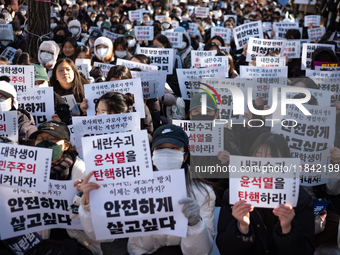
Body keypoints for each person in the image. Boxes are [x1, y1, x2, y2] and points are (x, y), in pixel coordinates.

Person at [79, 124, 216, 255]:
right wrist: (89, 203)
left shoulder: (203, 193)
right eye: (160, 148)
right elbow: (101, 234)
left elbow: (202, 251)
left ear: (184, 156)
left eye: (174, 149)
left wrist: (195, 224)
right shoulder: (131, 186)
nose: (167, 153)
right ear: (152, 155)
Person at [216, 132, 315, 255]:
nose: (264, 165)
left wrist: (287, 229)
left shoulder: (299, 198)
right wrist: (241, 227)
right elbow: (225, 250)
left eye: (272, 160)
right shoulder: (234, 195)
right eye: (257, 158)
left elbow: (306, 251)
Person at [28, 121, 102, 254]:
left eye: (53, 140)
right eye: (41, 139)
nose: (45, 143)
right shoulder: (26, 169)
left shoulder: (83, 173)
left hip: (77, 243)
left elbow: (102, 229)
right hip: (39, 242)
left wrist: (86, 198)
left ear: (66, 145)